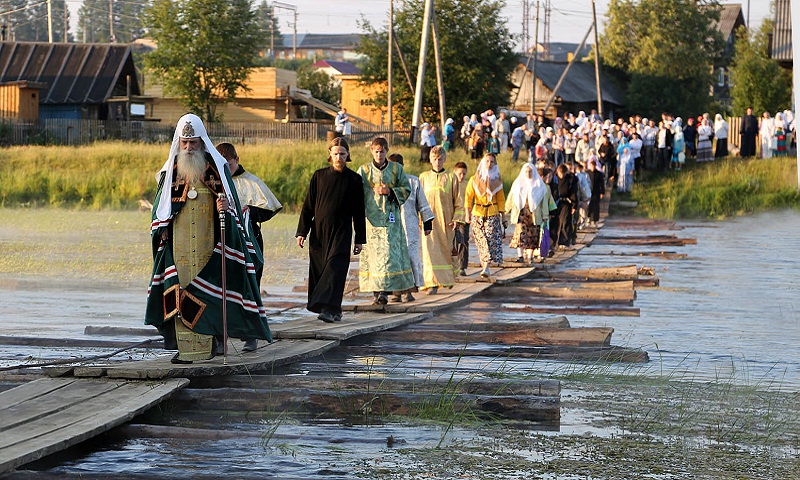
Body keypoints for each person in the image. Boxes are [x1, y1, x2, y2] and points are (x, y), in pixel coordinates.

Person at [145, 113, 271, 364]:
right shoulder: (172, 171)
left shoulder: (216, 168)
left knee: (208, 294)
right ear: (179, 143)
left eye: (193, 142)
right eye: (185, 143)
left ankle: (210, 345)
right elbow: (160, 211)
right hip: (179, 248)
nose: (189, 148)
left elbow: (230, 207)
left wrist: (224, 206)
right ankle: (186, 350)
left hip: (208, 248)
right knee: (179, 293)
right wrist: (163, 227)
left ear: (202, 142)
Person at [216, 142, 282, 352]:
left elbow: (270, 209)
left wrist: (249, 211)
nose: (227, 169)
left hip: (249, 241)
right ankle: (218, 336)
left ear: (237, 160)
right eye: (222, 165)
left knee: (249, 288)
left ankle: (250, 336)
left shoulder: (250, 181)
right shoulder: (214, 182)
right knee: (221, 289)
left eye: (230, 164)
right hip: (222, 241)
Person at [295, 137, 366, 323]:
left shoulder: (355, 180)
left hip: (342, 231)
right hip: (319, 232)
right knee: (321, 269)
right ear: (330, 154)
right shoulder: (319, 176)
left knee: (335, 268)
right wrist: (302, 231)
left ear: (348, 155)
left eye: (342, 154)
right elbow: (308, 206)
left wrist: (360, 238)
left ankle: (327, 309)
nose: (339, 157)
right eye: (335, 153)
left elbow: (359, 211)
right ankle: (335, 308)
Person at [357, 137, 415, 305]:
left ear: (386, 151)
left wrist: (390, 191)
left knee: (389, 255)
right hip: (372, 221)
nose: (379, 154)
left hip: (391, 220)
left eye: (382, 151)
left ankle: (386, 291)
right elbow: (356, 193)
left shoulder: (396, 169)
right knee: (374, 257)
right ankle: (376, 293)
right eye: (376, 151)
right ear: (371, 152)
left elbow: (406, 189)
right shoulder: (364, 171)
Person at [389, 153, 433, 302]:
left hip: (410, 226)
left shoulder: (413, 181)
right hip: (392, 227)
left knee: (411, 257)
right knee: (395, 258)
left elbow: (422, 203)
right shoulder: (385, 183)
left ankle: (409, 291)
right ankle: (396, 291)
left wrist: (427, 223)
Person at [419, 145, 463, 294]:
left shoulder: (451, 177)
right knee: (429, 252)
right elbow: (419, 200)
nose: (437, 162)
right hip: (428, 222)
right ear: (430, 159)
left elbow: (458, 200)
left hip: (446, 222)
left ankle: (447, 279)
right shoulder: (424, 177)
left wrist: (457, 219)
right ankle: (431, 283)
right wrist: (419, 219)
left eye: (440, 159)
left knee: (446, 251)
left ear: (444, 159)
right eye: (434, 159)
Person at [464, 153, 505, 278]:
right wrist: (467, 214)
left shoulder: (497, 180)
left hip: (492, 212)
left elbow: (501, 199)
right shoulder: (474, 179)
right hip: (478, 213)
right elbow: (468, 198)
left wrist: (504, 218)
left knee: (490, 239)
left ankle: (486, 268)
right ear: (483, 162)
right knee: (480, 240)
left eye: (492, 162)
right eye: (487, 161)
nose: (489, 164)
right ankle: (484, 266)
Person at [505, 163, 548, 264]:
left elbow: (544, 202)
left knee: (532, 236)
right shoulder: (518, 184)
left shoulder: (539, 185)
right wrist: (505, 210)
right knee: (520, 234)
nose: (528, 174)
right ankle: (520, 256)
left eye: (530, 172)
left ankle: (530, 256)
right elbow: (511, 197)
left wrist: (545, 215)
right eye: (526, 172)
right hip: (521, 214)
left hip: (534, 215)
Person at [452, 162, 470, 276]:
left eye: (464, 174)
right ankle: (453, 266)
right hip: (453, 218)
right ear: (455, 172)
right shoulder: (451, 184)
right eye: (459, 174)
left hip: (465, 218)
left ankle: (462, 266)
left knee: (463, 241)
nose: (461, 176)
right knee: (452, 242)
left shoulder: (468, 185)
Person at [586, 158, 605, 227]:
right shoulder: (587, 173)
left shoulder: (599, 174)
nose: (592, 167)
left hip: (596, 192)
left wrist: (602, 192)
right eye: (591, 166)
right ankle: (588, 219)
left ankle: (596, 220)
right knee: (589, 206)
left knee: (596, 206)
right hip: (589, 192)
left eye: (594, 166)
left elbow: (601, 184)